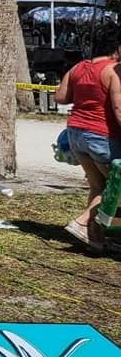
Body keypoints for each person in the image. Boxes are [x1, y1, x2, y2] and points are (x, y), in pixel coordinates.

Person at [54, 34, 121, 252]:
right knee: (115, 188)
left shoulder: (78, 68)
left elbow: (61, 97)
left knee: (97, 187)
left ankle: (95, 237)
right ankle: (82, 222)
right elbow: (119, 108)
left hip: (76, 133)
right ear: (117, 50)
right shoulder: (113, 70)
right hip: (102, 135)